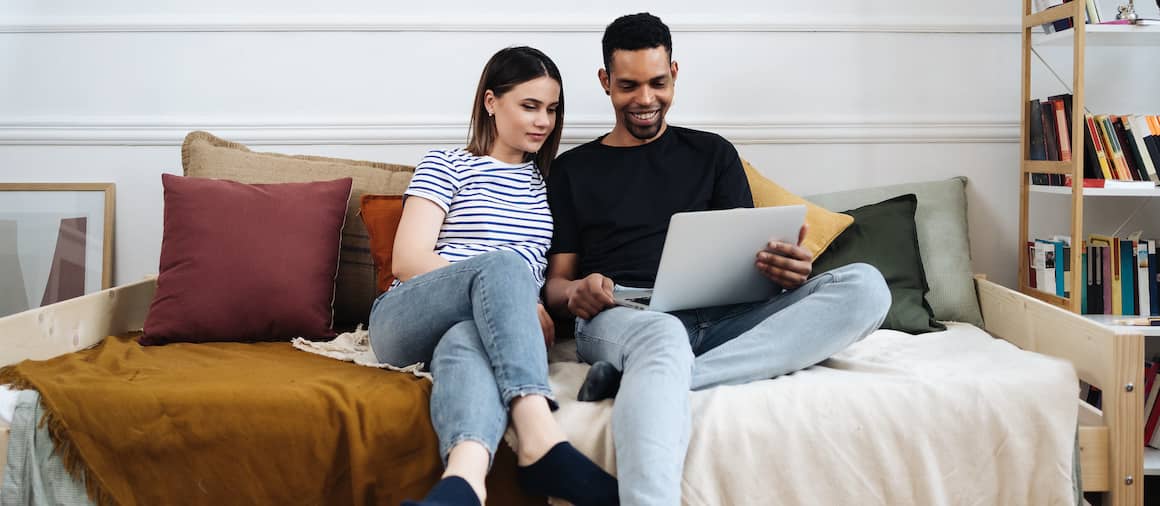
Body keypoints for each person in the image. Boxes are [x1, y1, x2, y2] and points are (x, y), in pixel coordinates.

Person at [543, 14, 892, 505]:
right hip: (628, 314)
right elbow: (555, 287)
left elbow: (744, 261)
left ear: (675, 74)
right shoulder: (572, 170)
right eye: (629, 86)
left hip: (726, 316)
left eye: (658, 82)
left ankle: (647, 377)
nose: (646, 99)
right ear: (605, 82)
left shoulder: (713, 153)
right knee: (662, 336)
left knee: (866, 287)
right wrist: (577, 291)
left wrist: (786, 274)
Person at [368, 46, 618, 506]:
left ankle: (463, 484)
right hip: (407, 315)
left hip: (478, 328)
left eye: (551, 109)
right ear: (490, 102)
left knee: (466, 338)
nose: (543, 120)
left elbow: (551, 274)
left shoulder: (549, 184)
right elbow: (407, 259)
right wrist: (518, 298)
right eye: (529, 105)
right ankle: (542, 438)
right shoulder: (447, 163)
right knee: (505, 264)